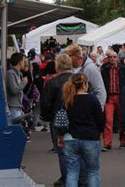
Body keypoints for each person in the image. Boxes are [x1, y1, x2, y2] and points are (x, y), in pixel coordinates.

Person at [60, 73, 105, 187]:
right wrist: (100, 132)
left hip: (70, 138)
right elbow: (100, 119)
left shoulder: (68, 99)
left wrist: (60, 136)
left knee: (72, 172)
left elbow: (61, 120)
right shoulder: (92, 99)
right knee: (92, 171)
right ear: (85, 85)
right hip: (90, 137)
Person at [41, 54, 74, 186]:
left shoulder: (52, 82)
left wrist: (48, 117)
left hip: (58, 120)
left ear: (57, 66)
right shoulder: (78, 80)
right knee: (77, 152)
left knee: (62, 152)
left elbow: (46, 103)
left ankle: (67, 178)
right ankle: (75, 178)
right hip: (77, 120)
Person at [100, 50, 125, 151]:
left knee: (122, 120)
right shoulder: (104, 70)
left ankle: (123, 141)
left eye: (114, 56)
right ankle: (107, 143)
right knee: (108, 120)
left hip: (120, 97)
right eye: (110, 57)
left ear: (117, 58)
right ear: (107, 58)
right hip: (109, 98)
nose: (112, 58)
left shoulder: (123, 69)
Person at [65, 44, 106, 110]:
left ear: (76, 56)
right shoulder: (77, 67)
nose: (67, 59)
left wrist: (98, 111)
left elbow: (100, 91)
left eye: (68, 56)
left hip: (89, 111)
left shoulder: (90, 68)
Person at [7, 52, 27, 120]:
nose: (24, 63)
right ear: (20, 62)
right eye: (23, 61)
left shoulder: (19, 73)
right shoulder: (10, 73)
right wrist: (23, 83)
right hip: (13, 109)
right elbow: (14, 90)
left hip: (18, 108)